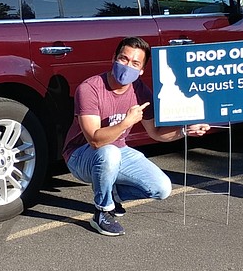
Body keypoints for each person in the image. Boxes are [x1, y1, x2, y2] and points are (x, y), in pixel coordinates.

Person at [62, 37, 209, 236]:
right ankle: (102, 212)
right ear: (113, 58)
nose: (127, 66)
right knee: (109, 152)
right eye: (124, 59)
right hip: (80, 156)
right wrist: (126, 122)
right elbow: (95, 140)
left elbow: (155, 133)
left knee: (162, 188)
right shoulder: (90, 89)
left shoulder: (139, 90)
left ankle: (114, 194)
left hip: (117, 151)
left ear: (141, 70)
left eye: (135, 63)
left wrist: (185, 130)